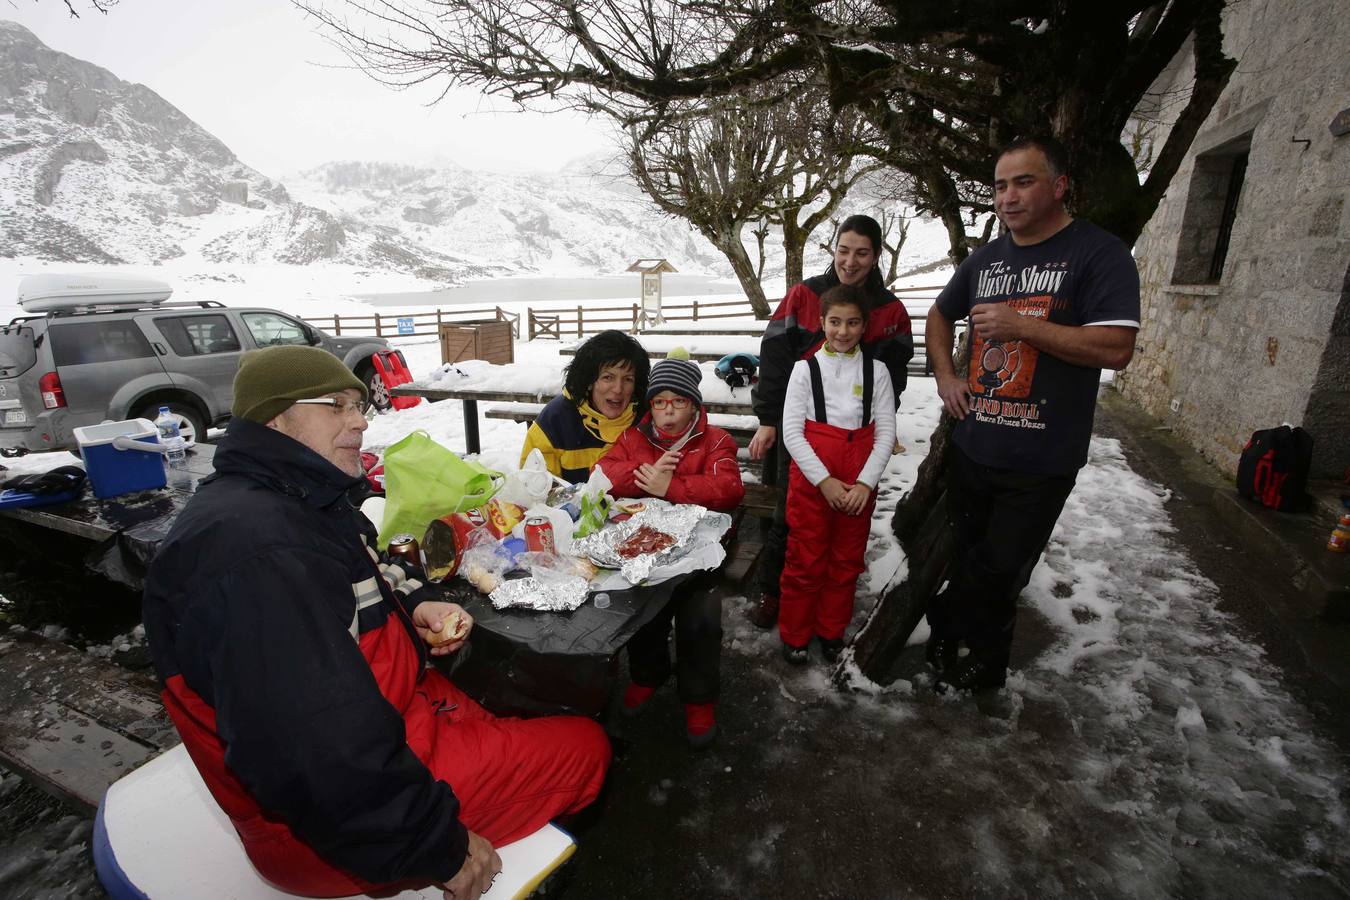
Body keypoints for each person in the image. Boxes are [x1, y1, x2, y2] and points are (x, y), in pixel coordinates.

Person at [143, 346, 611, 899]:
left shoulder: (299, 499)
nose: (361, 420)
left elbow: (370, 567)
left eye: (360, 405)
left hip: (393, 718)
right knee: (588, 746)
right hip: (328, 825)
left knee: (517, 701)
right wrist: (439, 845)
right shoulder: (259, 555)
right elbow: (312, 754)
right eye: (336, 406)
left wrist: (416, 604)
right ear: (275, 418)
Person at [925, 134, 1140, 693]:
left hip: (1042, 457)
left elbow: (1116, 347)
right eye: (1000, 185)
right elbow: (938, 315)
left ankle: (950, 625)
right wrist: (947, 376)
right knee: (972, 556)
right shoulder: (987, 258)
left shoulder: (1099, 253)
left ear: (1060, 186)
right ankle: (983, 658)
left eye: (1025, 182)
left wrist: (1022, 326)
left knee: (1001, 569)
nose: (1009, 197)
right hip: (975, 446)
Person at [747, 215, 913, 629]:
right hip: (800, 431)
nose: (850, 261)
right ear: (833, 249)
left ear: (876, 256)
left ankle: (829, 607)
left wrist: (883, 425)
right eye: (843, 250)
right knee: (790, 517)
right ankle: (774, 592)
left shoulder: (890, 310)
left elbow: (895, 372)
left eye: (862, 253)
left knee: (845, 526)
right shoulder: (804, 295)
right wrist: (769, 418)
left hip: (858, 438)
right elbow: (774, 355)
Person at [597, 358, 745, 746]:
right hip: (647, 551)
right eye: (659, 402)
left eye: (677, 402)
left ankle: (698, 699)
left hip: (700, 559)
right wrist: (647, 474)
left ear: (694, 405)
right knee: (644, 619)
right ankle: (648, 676)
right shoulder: (633, 438)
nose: (667, 411)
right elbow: (603, 473)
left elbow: (729, 489)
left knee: (700, 625)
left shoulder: (716, 440)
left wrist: (671, 487)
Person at [777, 284, 896, 664]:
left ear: (865, 326)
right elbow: (792, 432)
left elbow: (886, 432)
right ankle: (795, 633)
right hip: (814, 479)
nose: (842, 331)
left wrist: (865, 483)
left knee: (846, 559)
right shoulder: (803, 370)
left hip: (859, 479)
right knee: (805, 558)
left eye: (852, 323)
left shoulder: (877, 372)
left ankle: (831, 630)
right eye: (835, 322)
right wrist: (823, 480)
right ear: (822, 322)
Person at [520, 329, 650, 483]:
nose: (618, 389)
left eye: (628, 379)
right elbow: (533, 486)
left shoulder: (649, 419)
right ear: (589, 381)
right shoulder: (555, 421)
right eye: (608, 377)